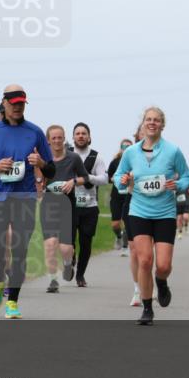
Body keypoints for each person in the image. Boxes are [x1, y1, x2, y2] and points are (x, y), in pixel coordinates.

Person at [0, 85, 55, 319]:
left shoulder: (35, 132)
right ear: (4, 103)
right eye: (14, 102)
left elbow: (52, 169)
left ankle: (13, 302)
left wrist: (40, 162)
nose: (18, 107)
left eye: (21, 103)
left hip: (24, 198)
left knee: (20, 250)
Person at [113, 107, 189, 325]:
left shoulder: (173, 151)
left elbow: (187, 176)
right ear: (143, 124)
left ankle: (162, 282)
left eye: (156, 120)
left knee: (163, 265)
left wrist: (178, 184)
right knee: (145, 260)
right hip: (139, 211)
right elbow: (118, 176)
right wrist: (124, 180)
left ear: (162, 125)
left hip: (165, 212)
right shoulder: (131, 152)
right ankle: (147, 308)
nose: (152, 123)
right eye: (149, 119)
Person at [40, 125, 89, 293]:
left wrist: (73, 182)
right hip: (48, 204)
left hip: (68, 205)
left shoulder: (73, 158)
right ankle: (52, 280)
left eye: (60, 137)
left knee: (66, 248)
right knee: (50, 244)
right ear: (48, 140)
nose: (57, 141)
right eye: (53, 138)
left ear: (64, 138)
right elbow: (37, 178)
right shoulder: (43, 159)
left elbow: (85, 177)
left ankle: (68, 264)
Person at [71, 122, 109, 287]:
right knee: (68, 242)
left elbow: (104, 179)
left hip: (89, 207)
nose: (80, 136)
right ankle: (69, 260)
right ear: (73, 137)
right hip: (70, 205)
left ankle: (80, 275)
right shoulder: (67, 155)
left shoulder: (97, 157)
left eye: (83, 133)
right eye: (77, 133)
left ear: (89, 137)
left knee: (86, 243)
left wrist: (87, 178)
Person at [106, 139, 133, 255]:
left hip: (130, 195)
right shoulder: (115, 162)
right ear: (121, 148)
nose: (126, 148)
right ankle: (118, 236)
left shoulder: (135, 161)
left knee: (127, 222)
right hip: (117, 196)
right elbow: (108, 178)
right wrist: (113, 179)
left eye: (128, 146)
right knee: (115, 224)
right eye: (124, 146)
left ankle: (125, 247)